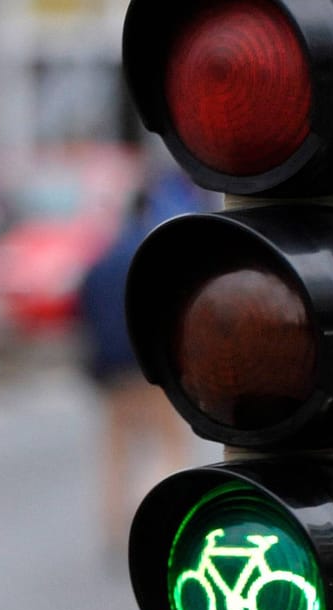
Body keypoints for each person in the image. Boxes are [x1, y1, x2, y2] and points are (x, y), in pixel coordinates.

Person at [77, 180, 192, 550]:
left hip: (112, 374)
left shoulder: (100, 263)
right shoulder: (159, 259)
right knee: (168, 446)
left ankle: (116, 528)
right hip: (154, 370)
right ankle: (169, 523)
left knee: (117, 453)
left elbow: (83, 318)